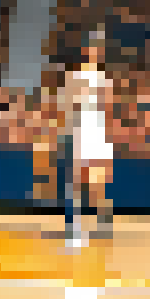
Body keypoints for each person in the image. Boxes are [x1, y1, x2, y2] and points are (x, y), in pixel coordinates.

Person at [60, 31, 119, 248]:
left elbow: (110, 112)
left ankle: (103, 225)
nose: (95, 53)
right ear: (85, 51)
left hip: (99, 135)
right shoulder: (73, 77)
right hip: (80, 133)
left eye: (99, 49)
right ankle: (74, 229)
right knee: (76, 183)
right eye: (92, 49)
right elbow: (66, 107)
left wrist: (109, 139)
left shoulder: (105, 80)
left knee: (98, 186)